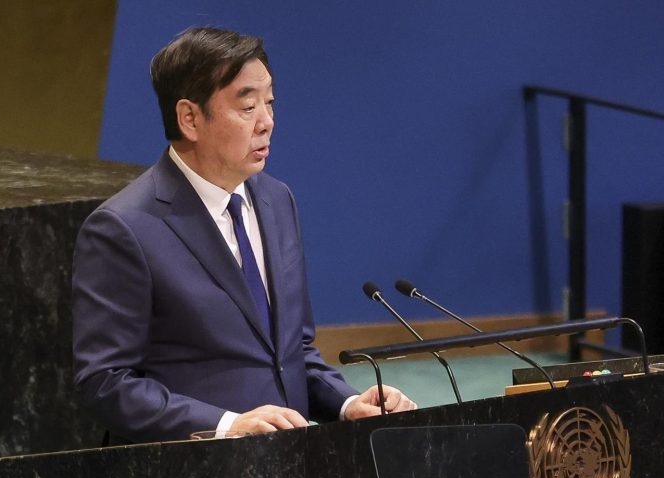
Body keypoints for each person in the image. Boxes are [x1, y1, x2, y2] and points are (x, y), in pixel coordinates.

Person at [72, 26, 415, 442]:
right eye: (247, 106)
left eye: (269, 103)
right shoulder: (124, 227)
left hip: (293, 464)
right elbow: (105, 381)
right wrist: (226, 425)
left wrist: (346, 403)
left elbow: (292, 353)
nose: (267, 122)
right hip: (192, 475)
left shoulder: (277, 200)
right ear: (190, 118)